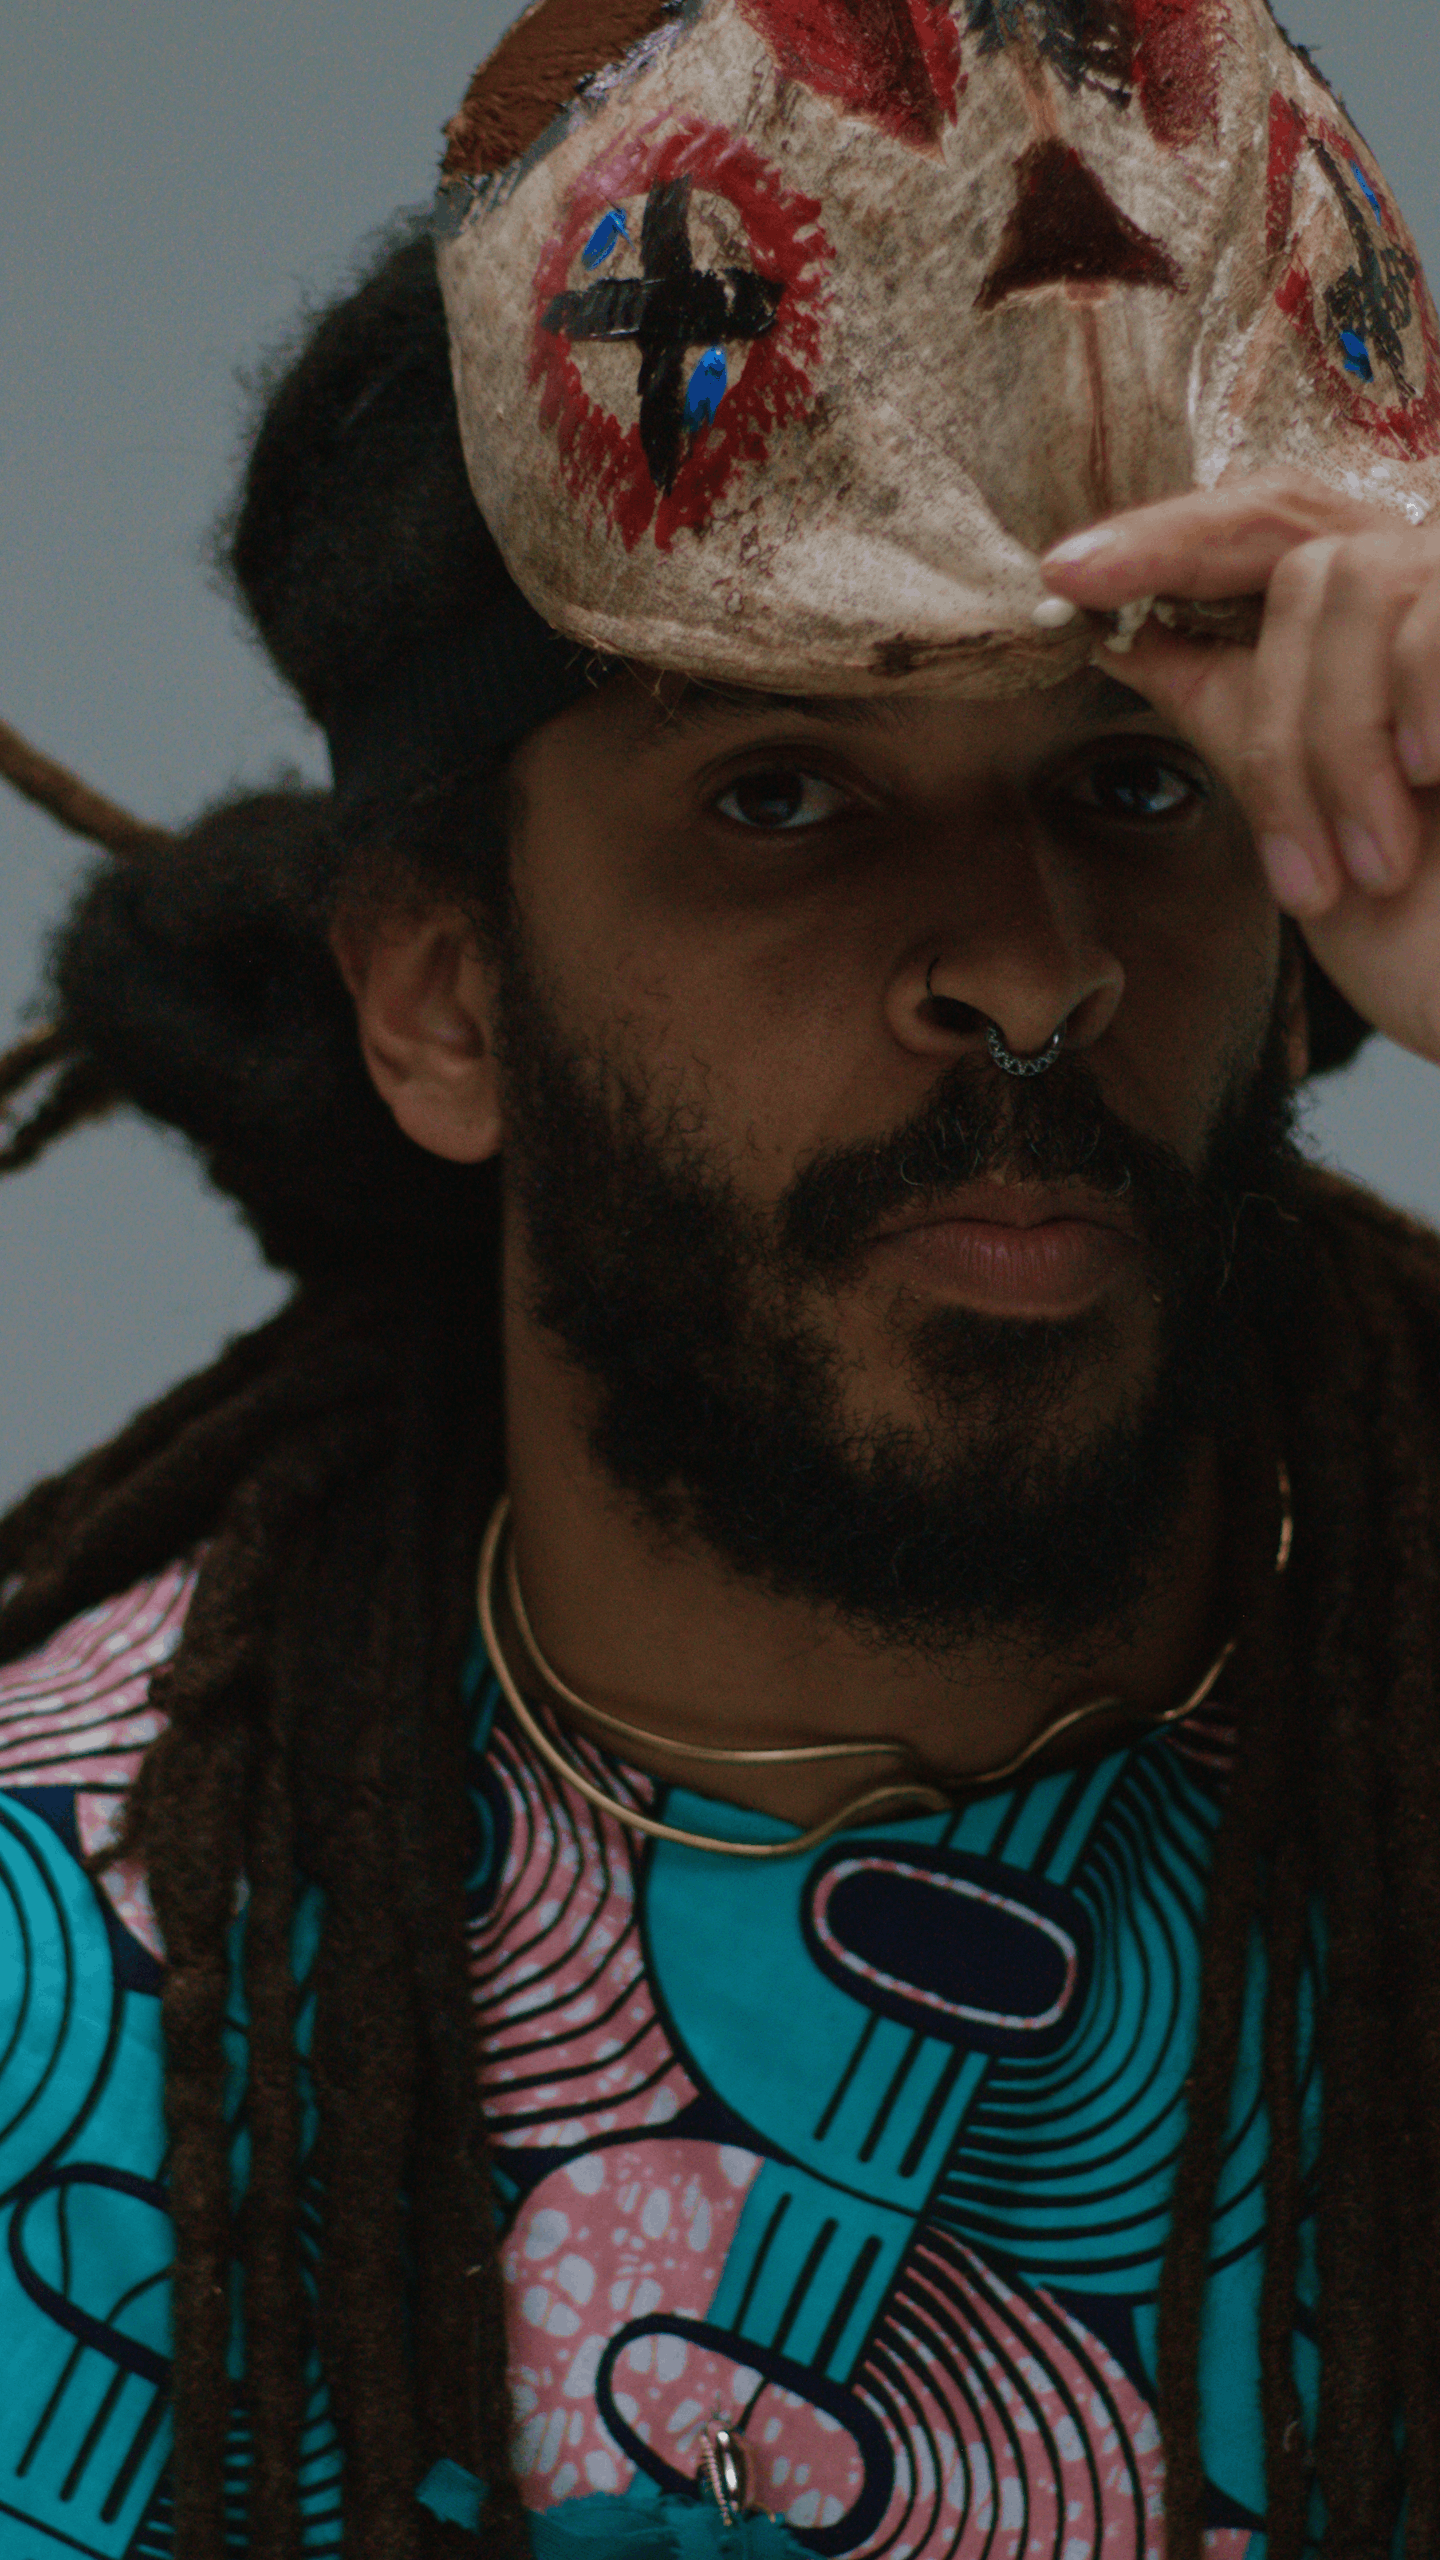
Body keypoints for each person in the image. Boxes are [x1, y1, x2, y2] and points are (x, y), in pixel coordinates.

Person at [1, 1, 1439, 2554]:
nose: (1025, 966)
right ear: (442, 991)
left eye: (1139, 782)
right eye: (784, 790)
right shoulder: (74, 1978)